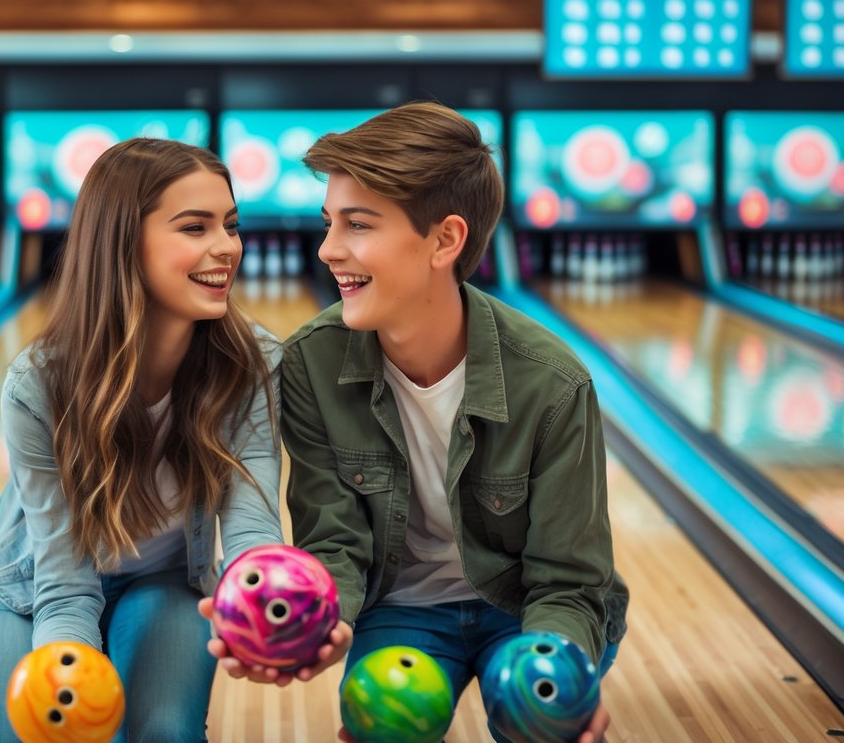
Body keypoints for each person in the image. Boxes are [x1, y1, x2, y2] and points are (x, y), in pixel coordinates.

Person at [208, 102, 628, 743]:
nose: (327, 250)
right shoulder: (310, 365)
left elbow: (568, 582)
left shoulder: (553, 383)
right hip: (400, 606)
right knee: (378, 729)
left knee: (538, 724)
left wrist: (557, 675)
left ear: (445, 240)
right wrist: (318, 626)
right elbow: (335, 542)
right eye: (329, 223)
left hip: (521, 605)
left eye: (359, 225)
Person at [0, 137, 284, 742]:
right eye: (194, 227)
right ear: (125, 241)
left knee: (161, 734)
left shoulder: (252, 363)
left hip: (163, 581)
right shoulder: (39, 385)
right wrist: (69, 684)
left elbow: (253, 527)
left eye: (230, 225)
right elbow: (63, 580)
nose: (226, 247)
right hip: (26, 584)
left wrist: (271, 606)